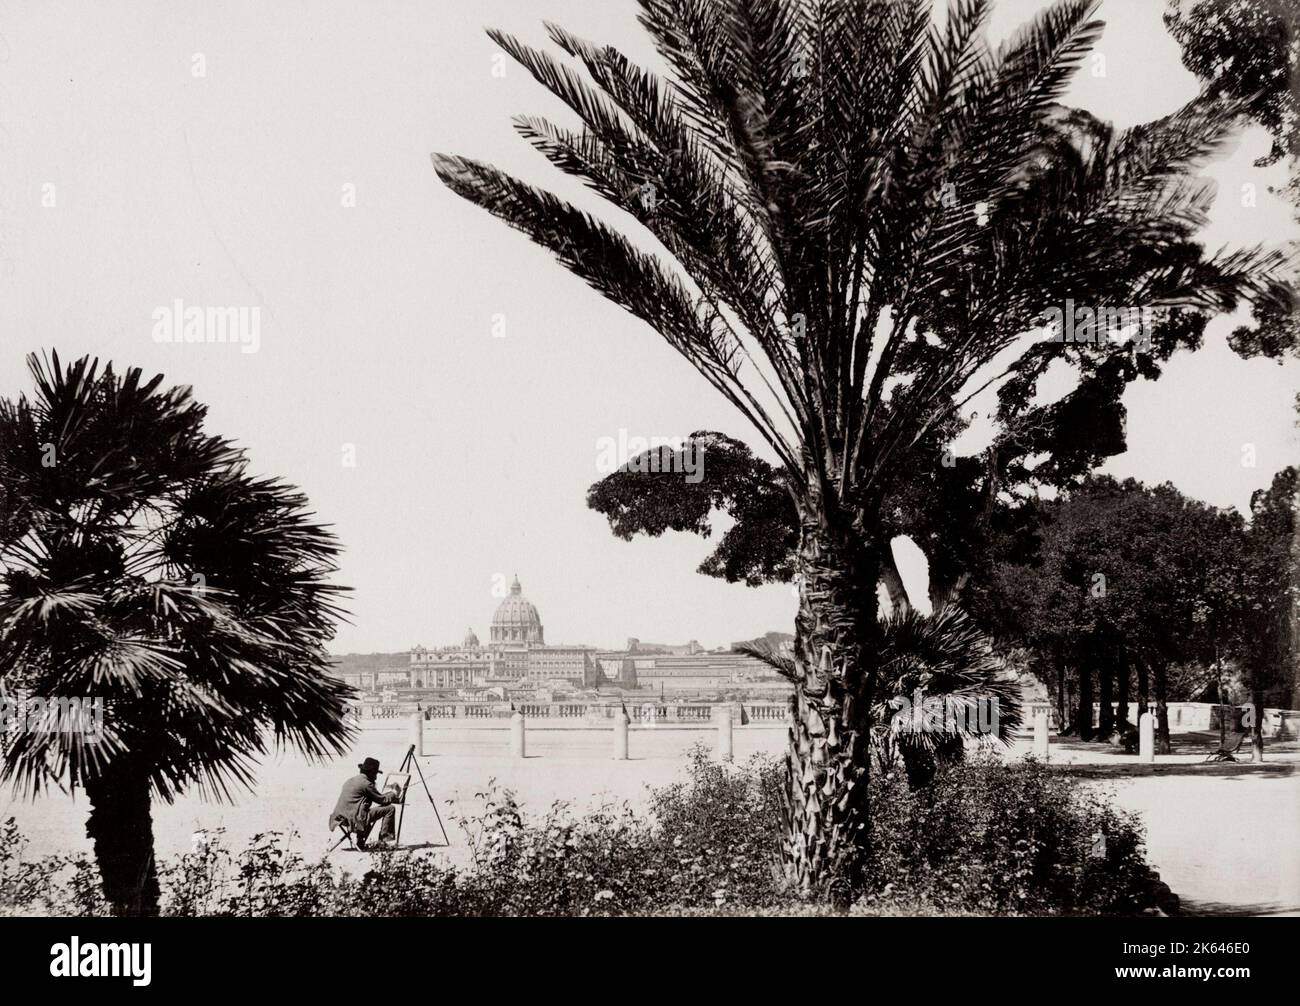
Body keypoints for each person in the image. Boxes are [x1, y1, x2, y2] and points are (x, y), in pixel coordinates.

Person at [329, 756, 403, 849]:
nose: (375, 777)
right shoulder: (366, 784)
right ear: (371, 773)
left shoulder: (351, 780)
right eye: (375, 774)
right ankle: (384, 840)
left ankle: (360, 841)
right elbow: (383, 800)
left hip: (340, 817)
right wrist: (394, 793)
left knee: (363, 808)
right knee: (390, 809)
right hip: (354, 819)